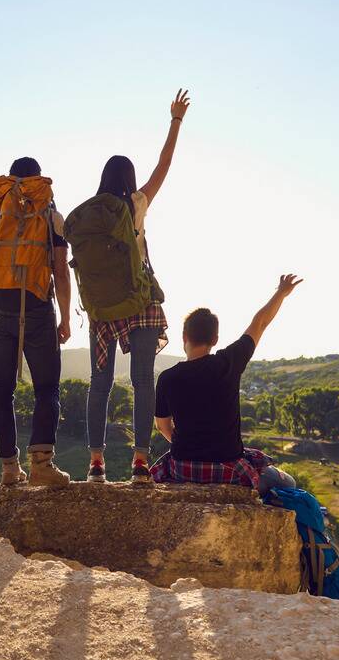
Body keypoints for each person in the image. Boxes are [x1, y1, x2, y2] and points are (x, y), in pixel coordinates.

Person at [84, 89, 190, 485]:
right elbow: (164, 166)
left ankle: (96, 464)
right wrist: (175, 121)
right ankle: (141, 463)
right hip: (139, 301)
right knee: (143, 380)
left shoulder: (89, 214)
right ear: (128, 180)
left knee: (101, 383)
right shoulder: (136, 203)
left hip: (100, 307)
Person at [0, 154, 73, 486]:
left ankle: (10, 469)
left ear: (10, 180)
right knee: (47, 388)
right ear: (38, 180)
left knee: (2, 390)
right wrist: (66, 318)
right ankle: (41, 465)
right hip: (38, 309)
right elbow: (60, 268)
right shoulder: (50, 214)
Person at [150, 275, 304, 488]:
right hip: (228, 469)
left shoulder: (167, 378)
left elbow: (162, 425)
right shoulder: (228, 363)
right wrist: (281, 292)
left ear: (184, 336)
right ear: (215, 340)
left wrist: (190, 449)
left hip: (182, 467)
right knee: (289, 483)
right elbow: (260, 323)